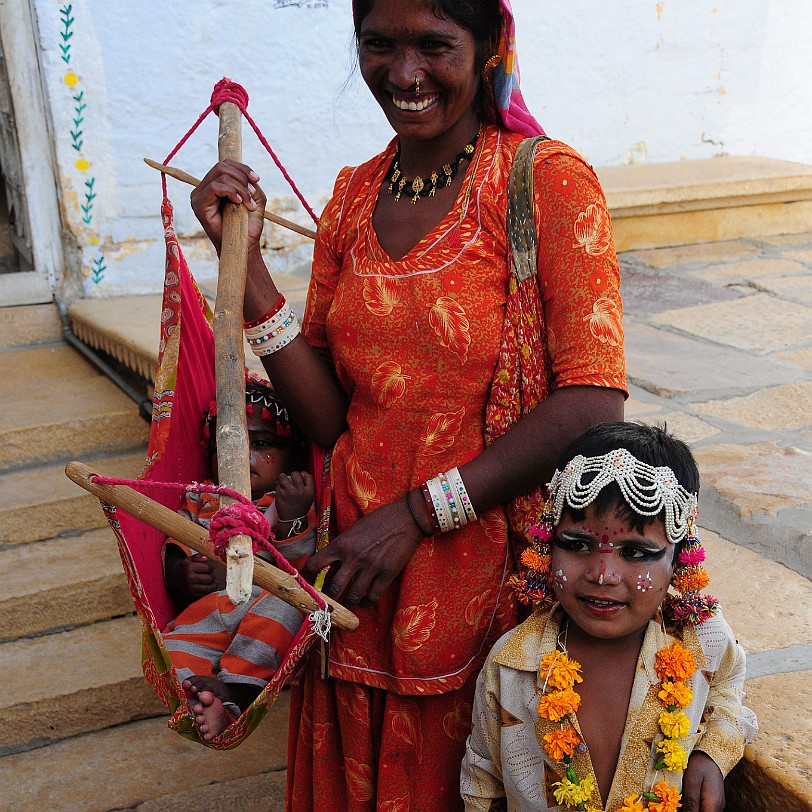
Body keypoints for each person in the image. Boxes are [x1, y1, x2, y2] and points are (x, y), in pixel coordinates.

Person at [190, 0, 627, 807]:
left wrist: (418, 516)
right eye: (378, 45)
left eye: (435, 45)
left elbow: (593, 398)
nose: (404, 73)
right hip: (353, 582)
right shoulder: (355, 195)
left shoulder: (544, 182)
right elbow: (331, 418)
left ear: (491, 47)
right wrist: (244, 267)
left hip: (484, 589)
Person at [461, 422, 757, 812]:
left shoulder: (700, 637)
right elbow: (482, 782)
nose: (602, 575)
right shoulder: (512, 664)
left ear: (680, 559)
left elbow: (729, 686)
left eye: (635, 552)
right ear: (548, 547)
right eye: (578, 544)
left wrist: (712, 752)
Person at [162, 376, 316, 741]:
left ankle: (238, 694)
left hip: (264, 607)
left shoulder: (290, 499)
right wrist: (180, 573)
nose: (241, 455)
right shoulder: (201, 500)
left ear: (290, 455)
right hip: (209, 615)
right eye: (226, 444)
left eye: (260, 443)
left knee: (288, 604)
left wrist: (293, 514)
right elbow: (175, 542)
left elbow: (299, 563)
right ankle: (206, 702)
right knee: (172, 651)